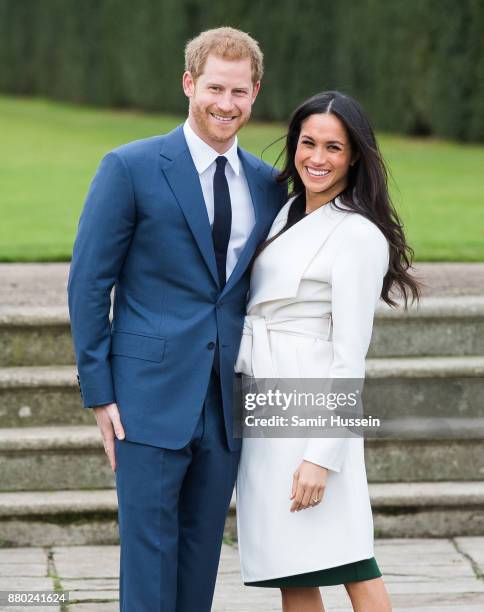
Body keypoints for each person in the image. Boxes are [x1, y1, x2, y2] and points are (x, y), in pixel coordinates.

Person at [67, 27, 286, 612]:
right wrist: (99, 391)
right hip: (145, 397)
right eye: (215, 87)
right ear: (189, 83)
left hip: (225, 401)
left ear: (255, 93)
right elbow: (89, 283)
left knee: (200, 558)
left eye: (239, 92)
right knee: (148, 558)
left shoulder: (268, 185)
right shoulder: (130, 167)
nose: (226, 103)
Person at [235, 91, 420, 612]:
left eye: (334, 148)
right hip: (264, 398)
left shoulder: (357, 234)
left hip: (312, 404)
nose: (317, 158)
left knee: (350, 561)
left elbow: (349, 356)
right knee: (290, 566)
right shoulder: (286, 212)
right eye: (307, 143)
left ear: (355, 155)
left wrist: (322, 454)